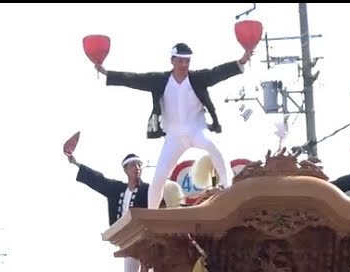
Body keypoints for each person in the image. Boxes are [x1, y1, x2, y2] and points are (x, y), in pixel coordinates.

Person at [97, 42, 253, 212]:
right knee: (159, 177)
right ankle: (151, 215)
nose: (184, 65)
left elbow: (218, 73)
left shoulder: (197, 78)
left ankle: (227, 188)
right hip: (174, 137)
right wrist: (107, 73)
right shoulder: (160, 80)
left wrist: (242, 60)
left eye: (187, 61)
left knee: (213, 147)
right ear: (172, 61)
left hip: (197, 130)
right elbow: (134, 79)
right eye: (180, 61)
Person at [68, 152, 151, 272]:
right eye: (133, 165)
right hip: (129, 242)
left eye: (139, 165)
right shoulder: (118, 189)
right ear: (126, 169)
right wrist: (77, 163)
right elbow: (99, 180)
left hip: (148, 241)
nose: (137, 168)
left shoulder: (147, 190)